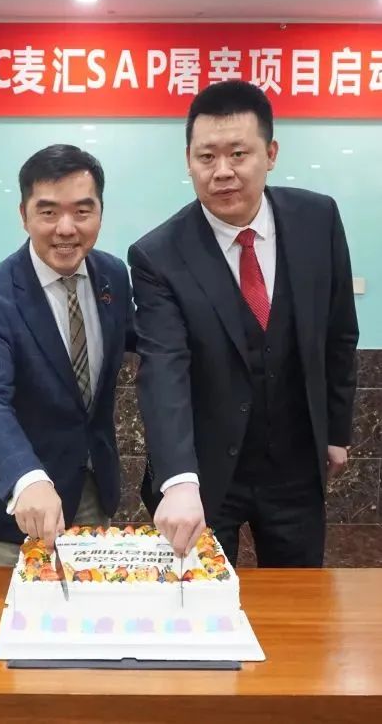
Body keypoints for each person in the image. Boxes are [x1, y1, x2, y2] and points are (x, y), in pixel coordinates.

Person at [128, 80, 359, 567]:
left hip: (297, 464)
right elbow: (164, 368)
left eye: (238, 153)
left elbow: (339, 332)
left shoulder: (318, 219)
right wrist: (178, 481)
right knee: (200, 604)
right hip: (205, 471)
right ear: (188, 161)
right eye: (206, 157)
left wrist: (336, 430)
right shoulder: (158, 254)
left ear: (270, 154)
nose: (222, 171)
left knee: (297, 599)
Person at [0, 144, 135, 566]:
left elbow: (142, 342)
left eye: (82, 211)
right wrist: (26, 478)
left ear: (100, 213)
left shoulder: (113, 276)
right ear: (24, 215)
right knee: (14, 607)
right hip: (23, 503)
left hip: (94, 487)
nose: (66, 228)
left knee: (94, 599)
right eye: (49, 212)